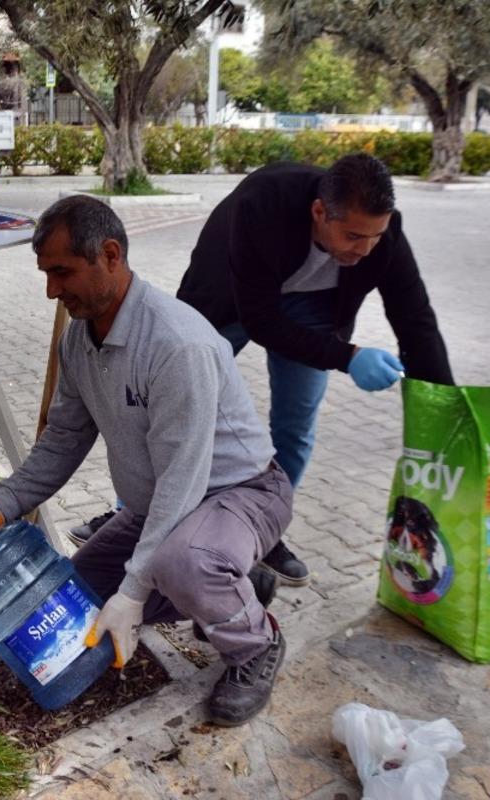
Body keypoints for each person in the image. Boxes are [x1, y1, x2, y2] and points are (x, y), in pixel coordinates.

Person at [0, 195, 295, 726]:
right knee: (74, 599)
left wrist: (134, 592)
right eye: (46, 274)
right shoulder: (78, 342)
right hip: (160, 508)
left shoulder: (177, 344)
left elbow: (183, 478)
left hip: (241, 494)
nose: (51, 291)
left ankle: (255, 646)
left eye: (62, 272)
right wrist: (4, 503)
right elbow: (63, 438)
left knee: (181, 563)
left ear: (110, 255)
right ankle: (235, 588)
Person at [175, 153, 454, 582]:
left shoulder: (383, 233)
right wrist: (349, 357)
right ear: (319, 212)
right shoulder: (263, 203)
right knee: (180, 402)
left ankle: (261, 528)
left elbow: (414, 318)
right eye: (353, 236)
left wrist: (444, 410)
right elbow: (261, 319)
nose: (364, 250)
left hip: (314, 309)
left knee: (296, 425)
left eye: (374, 237)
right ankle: (133, 518)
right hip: (231, 298)